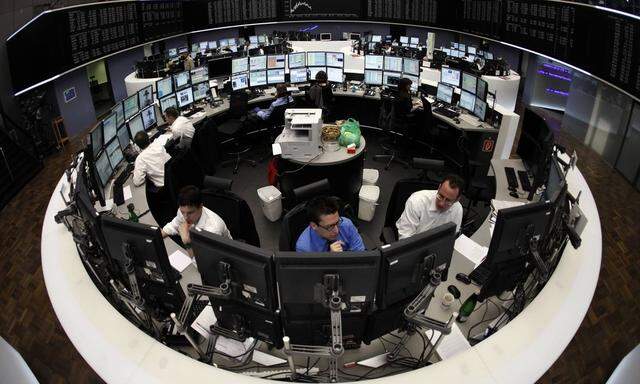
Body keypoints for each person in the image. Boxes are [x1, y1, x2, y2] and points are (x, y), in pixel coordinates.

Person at [161, 186, 232, 257]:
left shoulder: (213, 230)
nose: (185, 217)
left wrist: (187, 243)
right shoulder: (184, 211)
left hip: (223, 253)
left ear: (201, 206)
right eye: (182, 212)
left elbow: (203, 262)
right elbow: (174, 225)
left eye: (190, 213)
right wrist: (157, 236)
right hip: (196, 245)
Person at [396, 174, 465, 239]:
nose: (441, 203)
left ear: (457, 200)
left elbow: (451, 236)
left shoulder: (458, 209)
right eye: (440, 196)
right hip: (414, 244)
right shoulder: (417, 201)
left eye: (448, 201)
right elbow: (405, 237)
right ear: (439, 187)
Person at [296, 196, 365, 253]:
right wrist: (330, 258)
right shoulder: (304, 248)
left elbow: (360, 252)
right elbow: (315, 269)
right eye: (330, 226)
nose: (336, 230)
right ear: (314, 226)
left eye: (337, 222)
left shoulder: (346, 224)